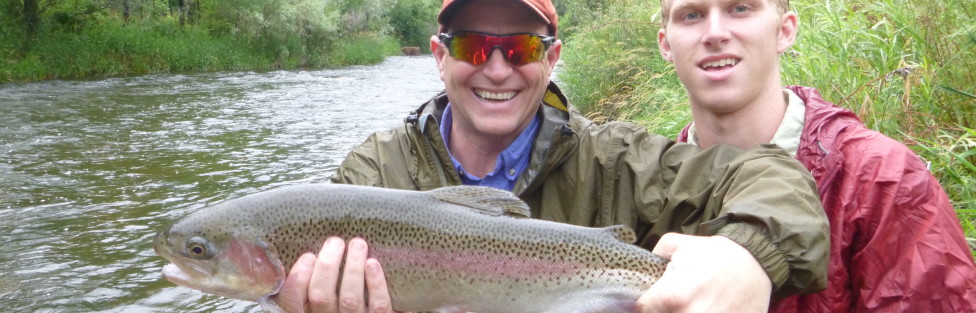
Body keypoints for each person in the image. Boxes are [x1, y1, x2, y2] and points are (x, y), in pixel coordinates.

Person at [272, 0, 832, 312]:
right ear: (440, 58)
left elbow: (768, 174)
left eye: (519, 49)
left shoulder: (614, 160)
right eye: (472, 46)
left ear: (553, 57)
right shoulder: (372, 176)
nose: (496, 68)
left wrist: (747, 254)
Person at [656, 0, 976, 312]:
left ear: (784, 31)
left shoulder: (884, 179)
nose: (715, 33)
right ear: (666, 45)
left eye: (740, 8)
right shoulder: (647, 189)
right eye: (691, 15)